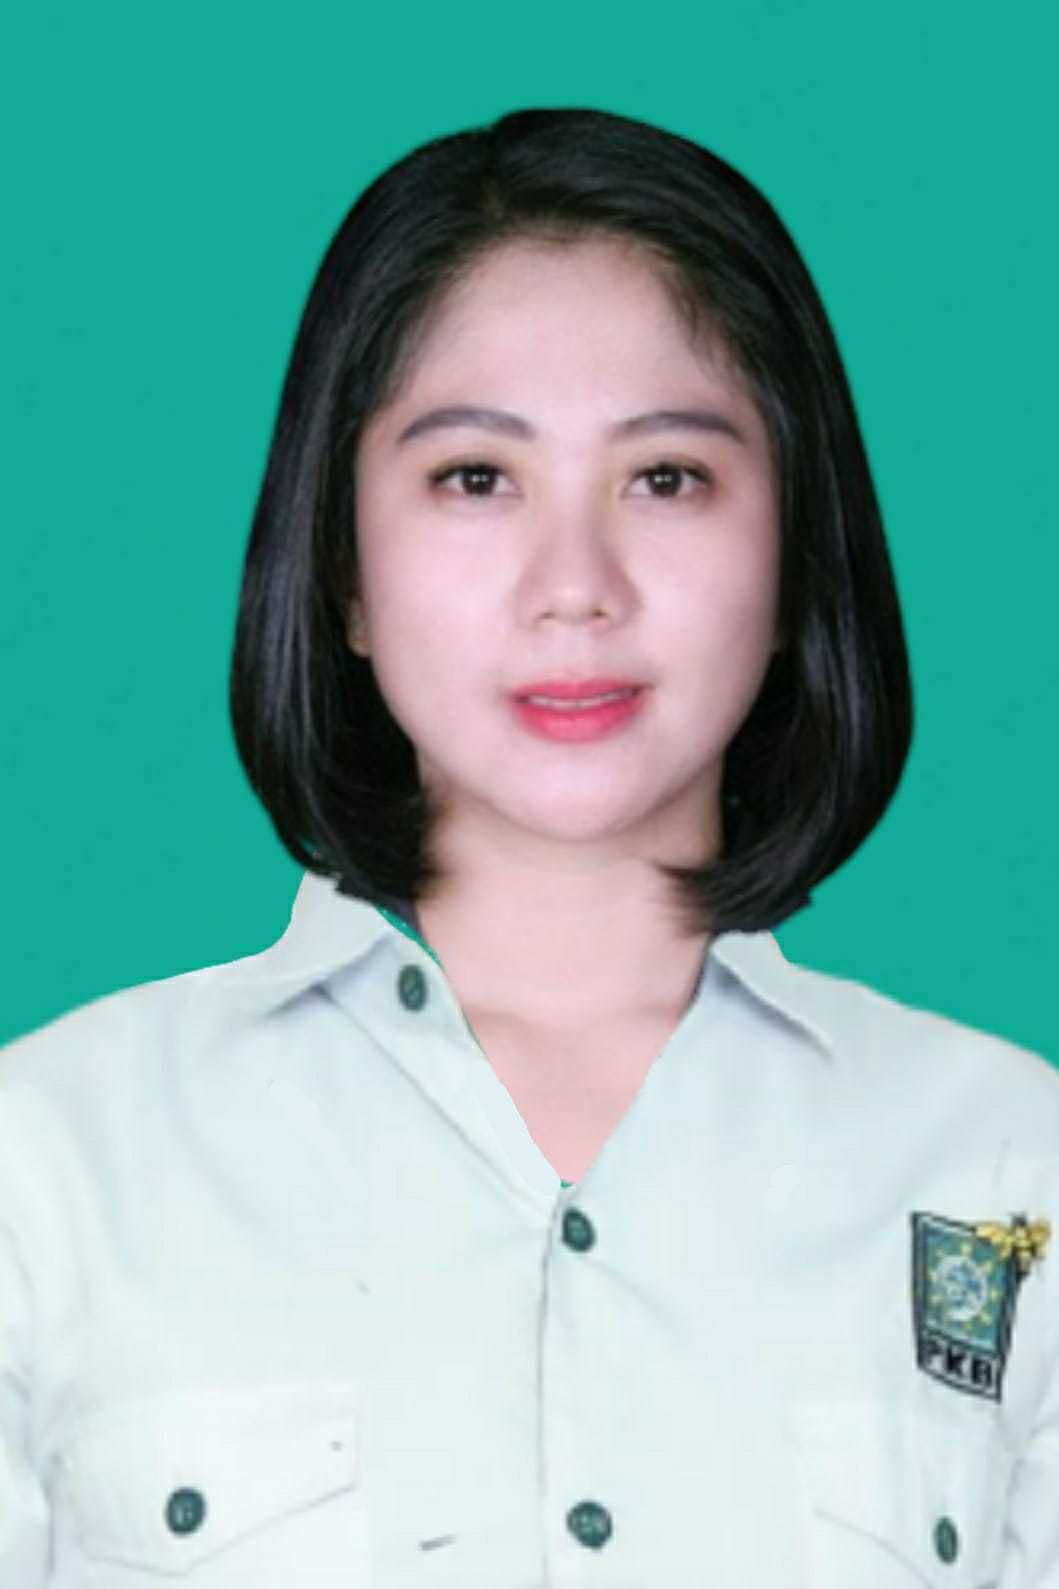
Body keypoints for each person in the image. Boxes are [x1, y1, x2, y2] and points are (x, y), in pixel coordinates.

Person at [1, 105, 1056, 1588]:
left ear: (793, 556)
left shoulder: (1008, 1171)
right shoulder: (49, 1160)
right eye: (475, 478)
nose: (576, 585)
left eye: (668, 476)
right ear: (343, 569)